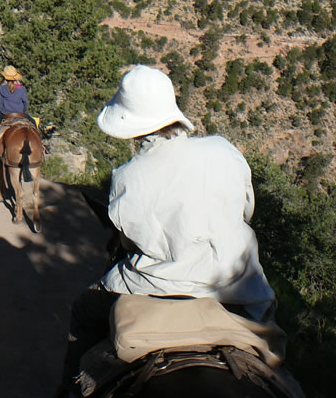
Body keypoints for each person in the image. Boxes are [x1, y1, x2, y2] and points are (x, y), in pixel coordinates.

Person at [56, 65, 277, 397]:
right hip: (238, 284)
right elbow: (246, 211)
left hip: (158, 285)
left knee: (85, 310)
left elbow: (132, 242)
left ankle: (68, 390)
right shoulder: (224, 150)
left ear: (131, 127)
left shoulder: (130, 176)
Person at [0, 65, 36, 158]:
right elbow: (26, 103)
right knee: (34, 124)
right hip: (20, 115)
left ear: (5, 78)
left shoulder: (2, 89)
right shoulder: (22, 88)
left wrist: (0, 112)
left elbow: (0, 104)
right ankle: (41, 146)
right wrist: (23, 111)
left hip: (6, 115)